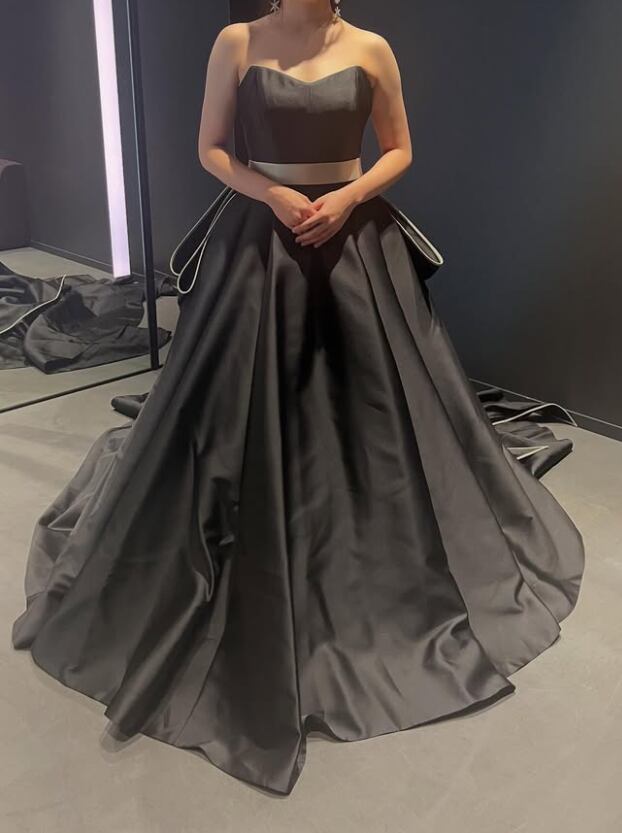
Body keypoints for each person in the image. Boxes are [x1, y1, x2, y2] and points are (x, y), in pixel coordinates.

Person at [11, 0, 585, 795]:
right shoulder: (237, 42)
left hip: (354, 244)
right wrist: (271, 194)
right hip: (260, 246)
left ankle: (365, 552)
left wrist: (347, 198)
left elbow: (400, 149)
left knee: (377, 416)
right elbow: (211, 148)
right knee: (237, 408)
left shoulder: (372, 48)